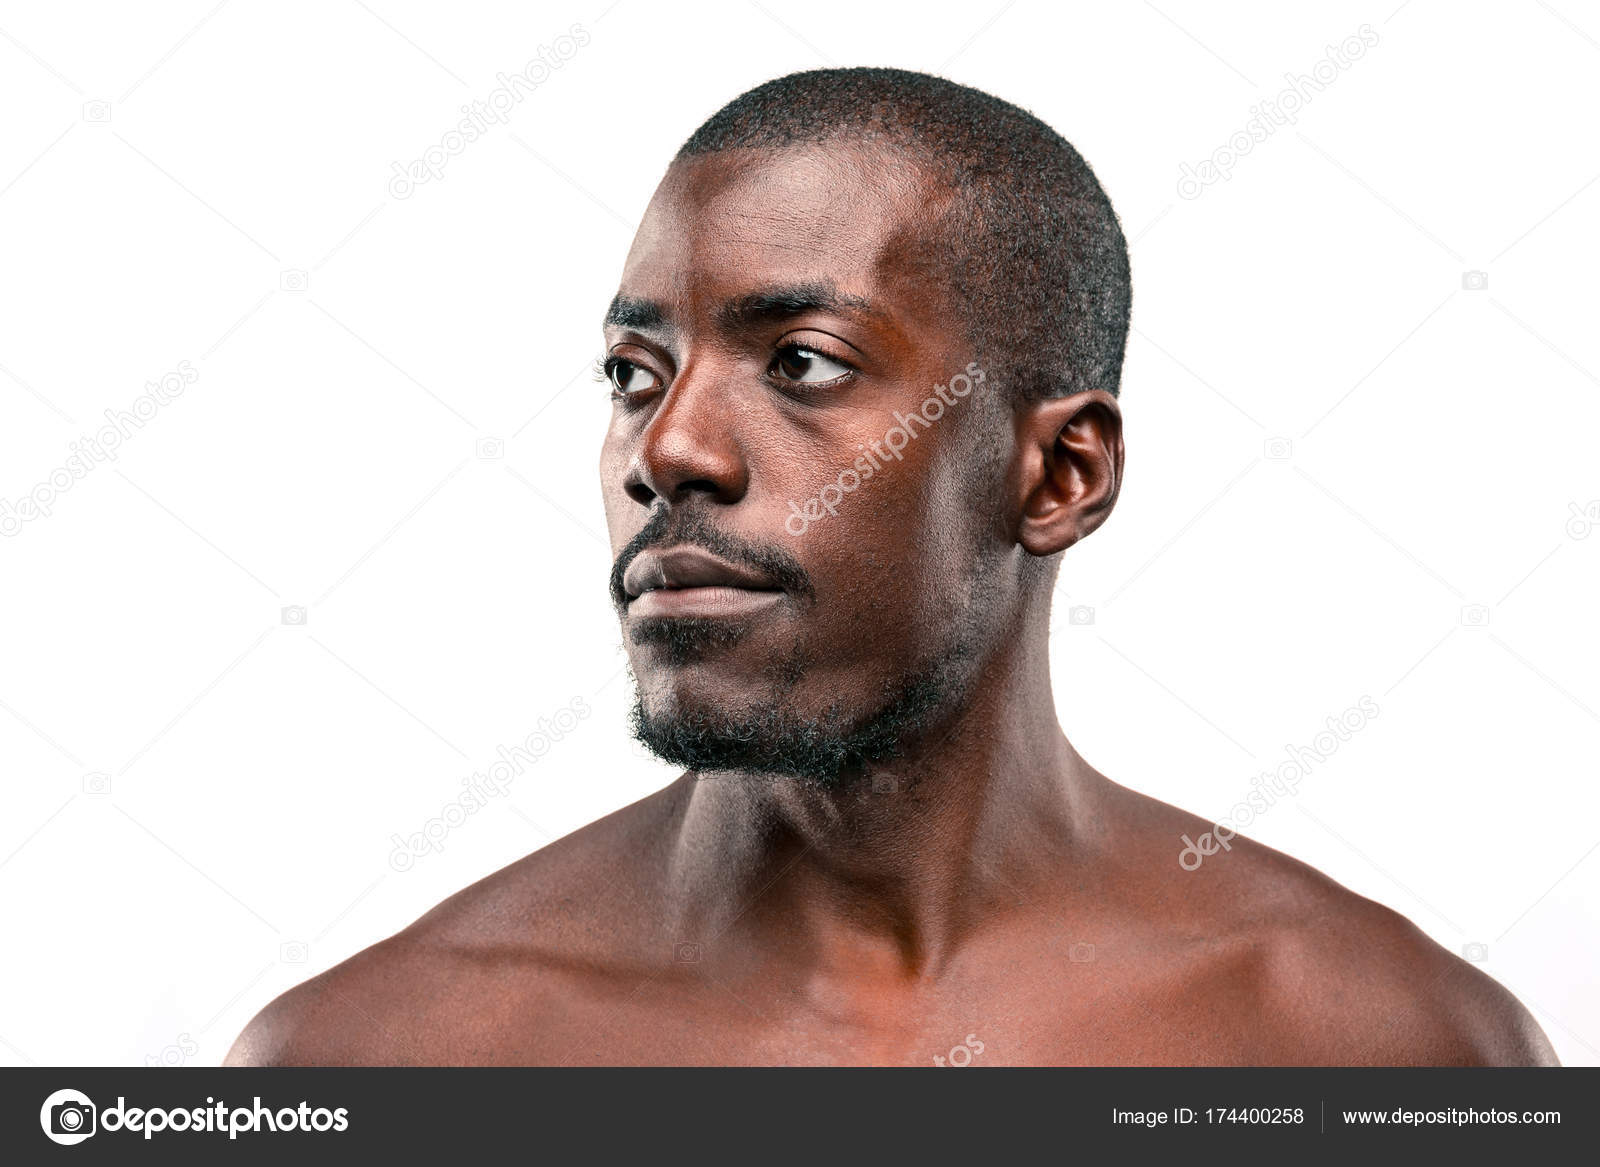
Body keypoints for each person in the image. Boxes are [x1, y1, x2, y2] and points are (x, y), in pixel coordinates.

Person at [227, 68, 1555, 1066]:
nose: (667, 449)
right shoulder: (386, 1060)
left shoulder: (1376, 1047)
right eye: (634, 376)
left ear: (1060, 477)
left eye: (801, 362)